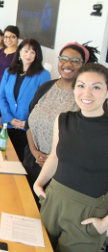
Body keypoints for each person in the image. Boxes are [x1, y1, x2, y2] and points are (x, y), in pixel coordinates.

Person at [34, 63, 108, 252]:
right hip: (53, 200)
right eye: (81, 85)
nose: (87, 93)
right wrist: (39, 183)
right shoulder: (63, 119)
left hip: (87, 214)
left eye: (96, 87)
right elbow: (55, 157)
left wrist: (105, 223)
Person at [24, 42, 99, 204]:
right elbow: (29, 121)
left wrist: (52, 158)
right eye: (63, 58)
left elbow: (81, 141)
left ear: (84, 65)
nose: (67, 64)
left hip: (60, 174)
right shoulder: (46, 87)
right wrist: (34, 151)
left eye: (75, 60)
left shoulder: (84, 98)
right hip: (31, 161)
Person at [0, 38, 50, 162]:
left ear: (37, 55)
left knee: (20, 164)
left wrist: (27, 122)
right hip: (8, 125)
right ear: (19, 52)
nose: (28, 55)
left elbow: (44, 103)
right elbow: (2, 96)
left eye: (33, 52)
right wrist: (9, 117)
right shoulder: (9, 72)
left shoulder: (43, 74)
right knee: (4, 158)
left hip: (27, 130)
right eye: (26, 51)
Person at [0, 25, 19, 115]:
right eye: (6, 37)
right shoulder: (0, 52)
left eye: (12, 37)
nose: (8, 40)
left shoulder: (20, 55)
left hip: (10, 97)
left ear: (18, 38)